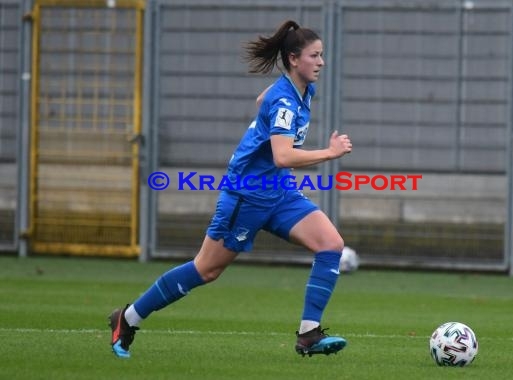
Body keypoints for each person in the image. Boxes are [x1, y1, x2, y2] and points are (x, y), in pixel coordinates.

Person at [108, 19, 353, 359]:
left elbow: (260, 99)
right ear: (294, 59)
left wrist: (264, 124)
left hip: (278, 192)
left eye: (322, 55)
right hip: (246, 196)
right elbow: (282, 156)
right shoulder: (284, 100)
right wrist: (330, 152)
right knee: (206, 269)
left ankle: (309, 334)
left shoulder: (299, 90)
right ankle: (128, 317)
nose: (322, 62)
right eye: (315, 55)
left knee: (331, 244)